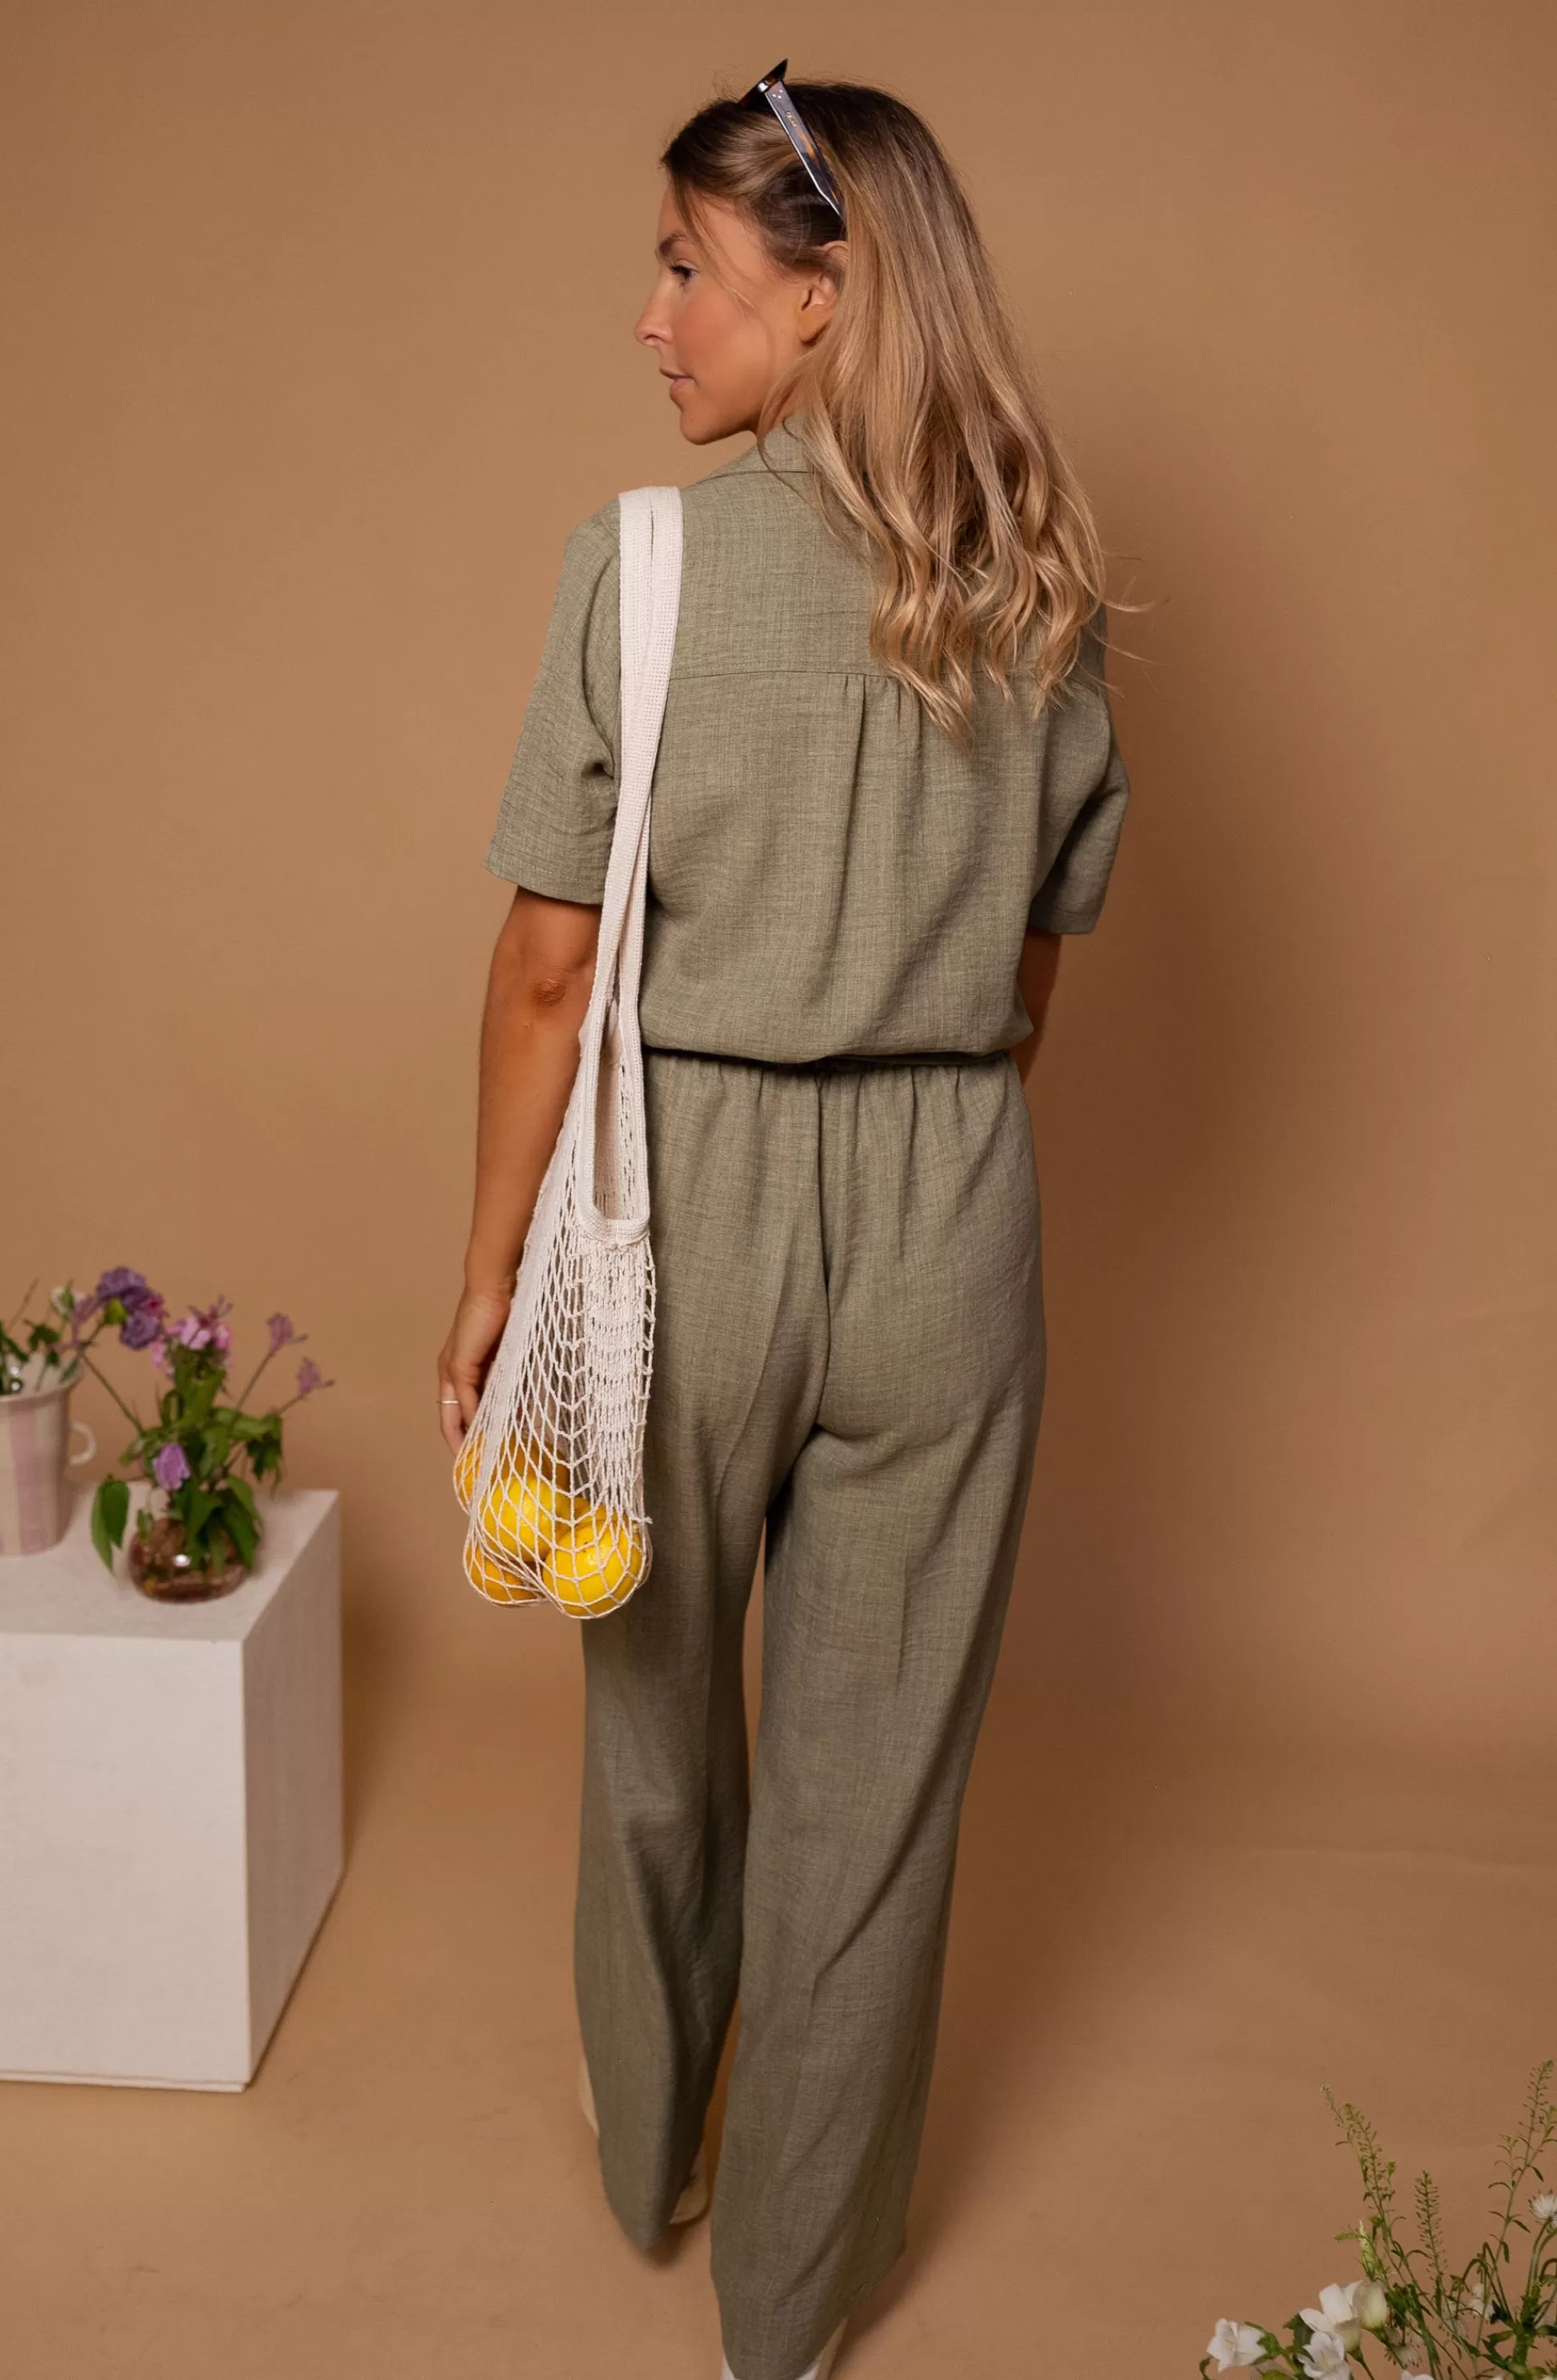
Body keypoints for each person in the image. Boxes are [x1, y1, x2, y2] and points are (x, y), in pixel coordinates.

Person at [437, 63, 1132, 2380]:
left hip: (682, 1196)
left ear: (822, 297)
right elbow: (1034, 962)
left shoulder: (638, 567)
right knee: (881, 1787)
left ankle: (655, 2148)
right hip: (955, 1204)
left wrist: (488, 1281)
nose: (653, 316)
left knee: (656, 1720)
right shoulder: (1038, 587)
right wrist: (923, 1114)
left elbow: (549, 971)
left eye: (687, 266)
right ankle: (794, 2311)